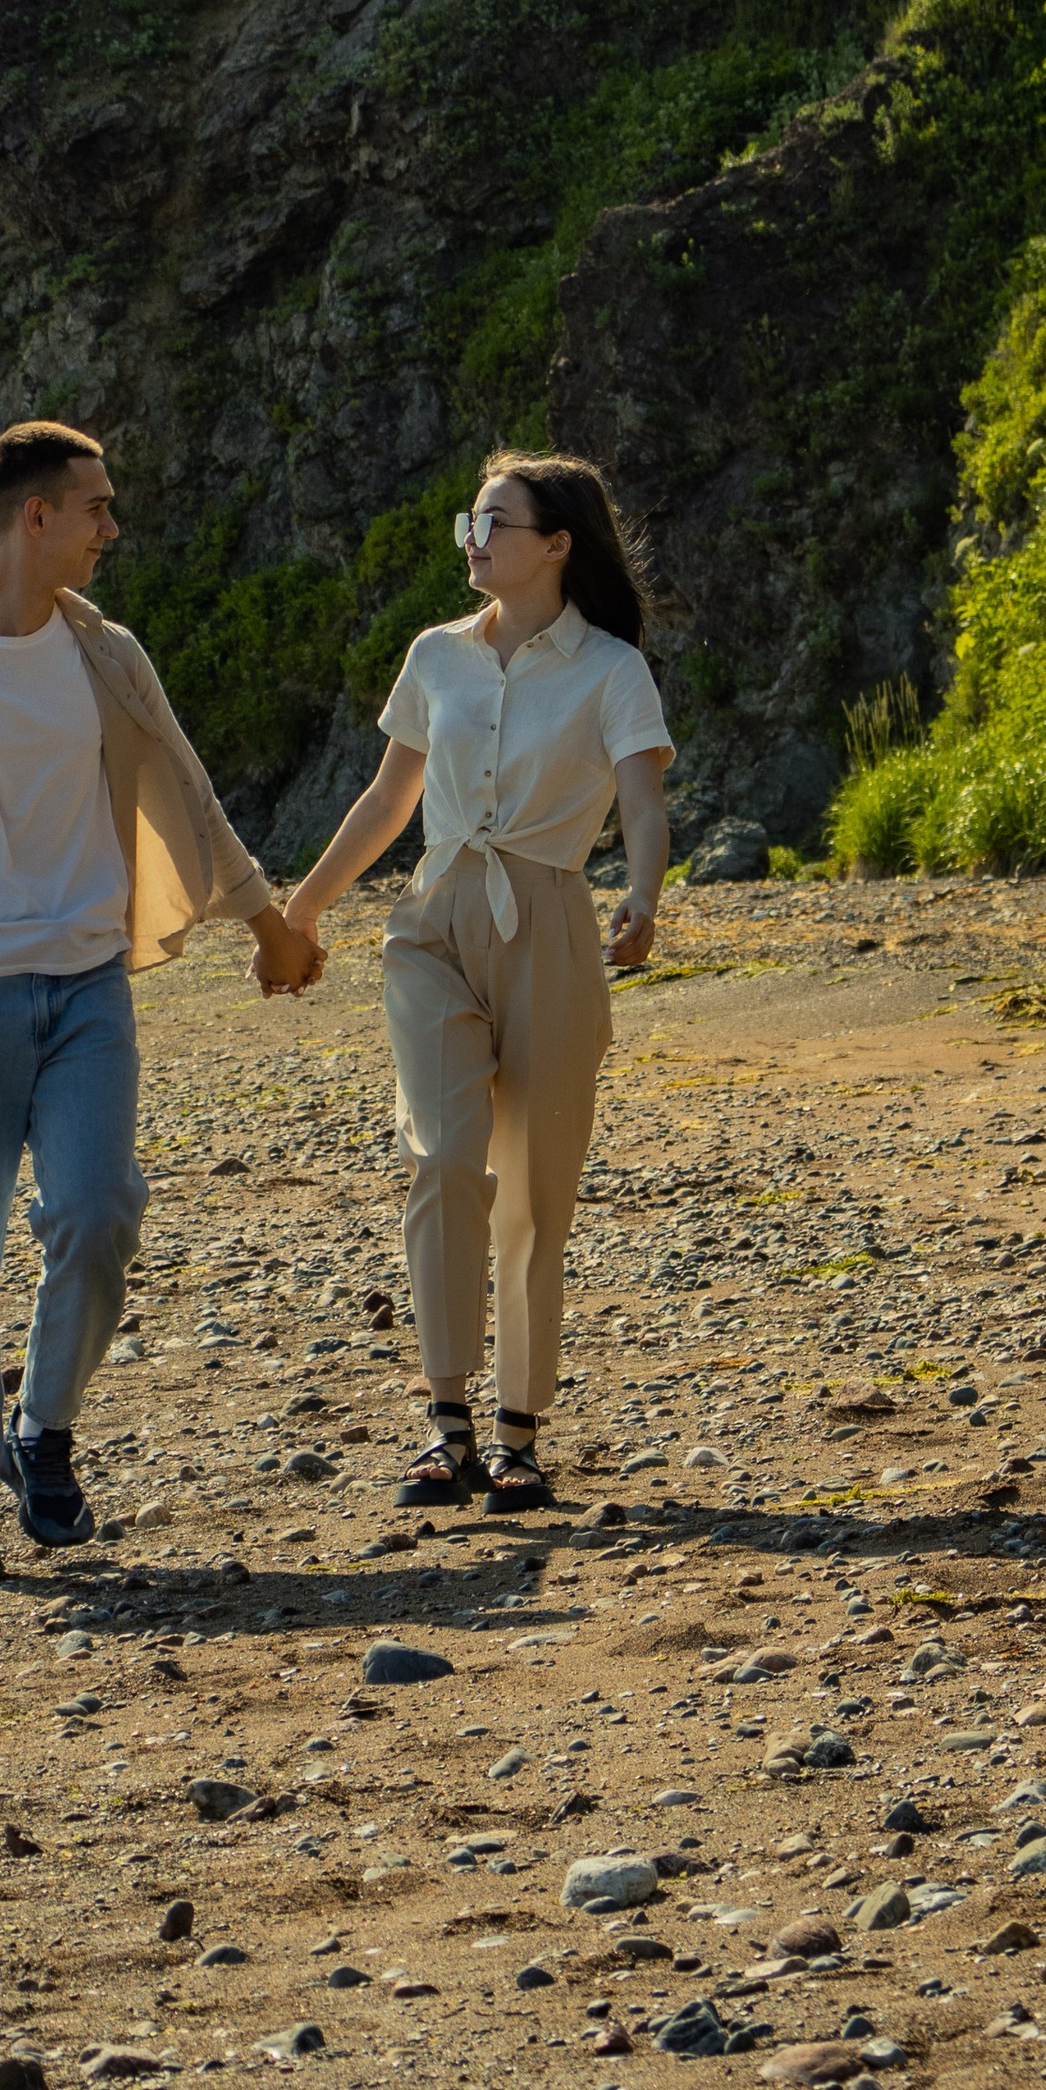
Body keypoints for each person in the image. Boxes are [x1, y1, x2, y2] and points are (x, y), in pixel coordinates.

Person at [0, 420, 324, 1590]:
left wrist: (267, 928)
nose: (112, 528)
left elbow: (189, 793)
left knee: (99, 1212)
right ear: (32, 516)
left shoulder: (108, 654)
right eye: (95, 507)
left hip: (87, 983)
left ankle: (41, 1429)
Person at [282, 451, 673, 1513]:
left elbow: (641, 797)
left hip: (549, 917)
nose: (473, 538)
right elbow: (387, 797)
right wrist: (305, 906)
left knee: (537, 1196)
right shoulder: (435, 657)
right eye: (471, 519)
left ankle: (518, 1437)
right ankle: (445, 1425)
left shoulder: (611, 671)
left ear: (555, 545)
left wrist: (641, 896)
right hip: (433, 921)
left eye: (494, 522)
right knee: (444, 1157)